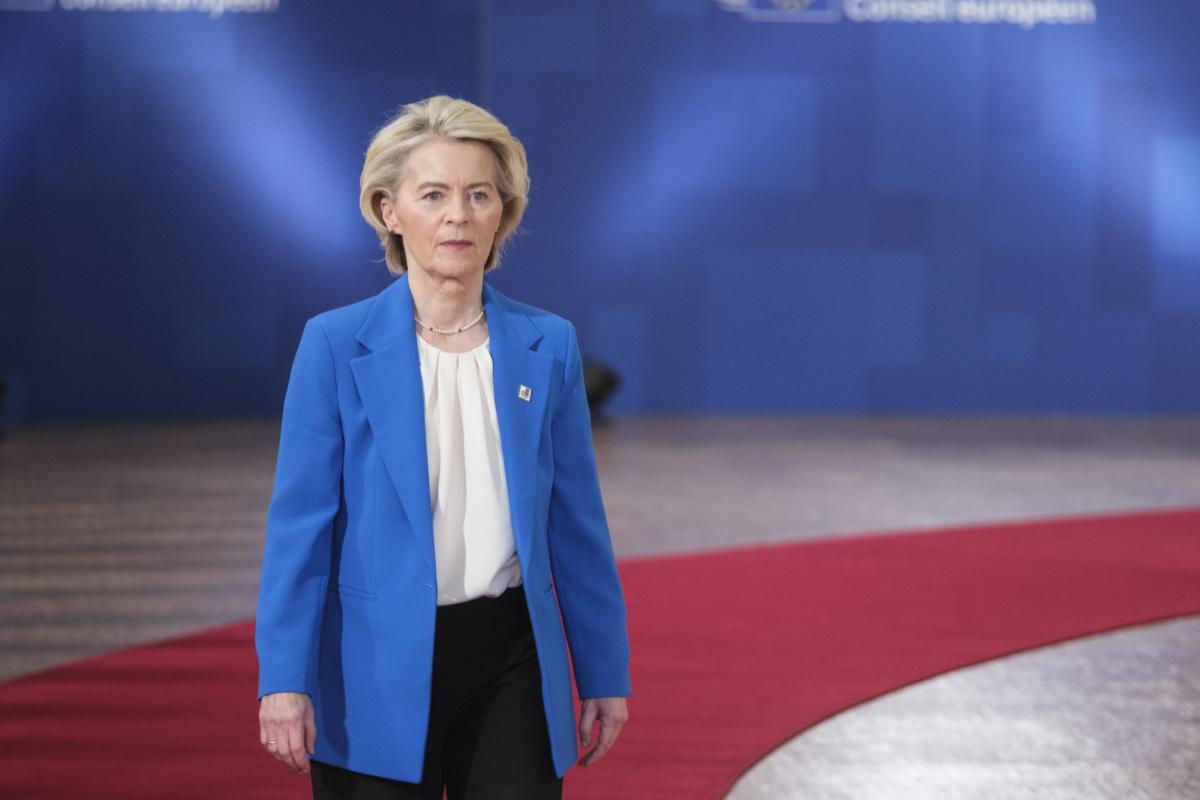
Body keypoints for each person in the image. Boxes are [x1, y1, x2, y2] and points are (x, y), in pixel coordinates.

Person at [255, 96, 631, 799]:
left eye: (478, 195)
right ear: (389, 211)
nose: (458, 215)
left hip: (512, 660)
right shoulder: (333, 345)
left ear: (503, 213)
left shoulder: (549, 344)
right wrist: (283, 679)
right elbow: (300, 527)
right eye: (433, 195)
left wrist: (603, 670)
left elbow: (576, 523)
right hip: (370, 668)